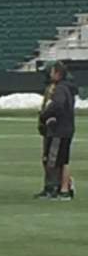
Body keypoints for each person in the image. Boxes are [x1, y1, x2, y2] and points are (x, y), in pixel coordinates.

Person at [38, 62, 76, 200]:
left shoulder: (60, 89)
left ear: (57, 73)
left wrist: (46, 116)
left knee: (54, 160)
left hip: (59, 130)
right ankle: (61, 187)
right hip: (63, 129)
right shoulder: (64, 87)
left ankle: (58, 188)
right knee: (59, 160)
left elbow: (57, 106)